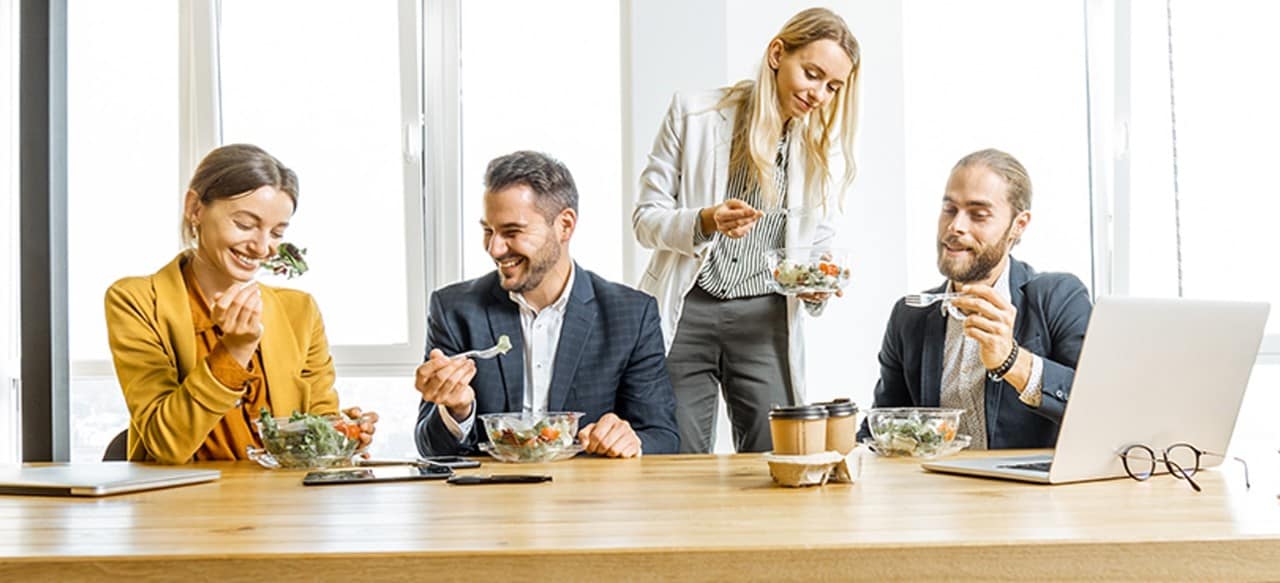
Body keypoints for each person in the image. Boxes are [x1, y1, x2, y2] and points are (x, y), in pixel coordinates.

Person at [633, 7, 861, 453]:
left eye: (833, 86)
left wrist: (817, 285)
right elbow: (645, 220)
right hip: (688, 312)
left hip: (765, 319)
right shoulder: (693, 114)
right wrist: (704, 220)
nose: (818, 94)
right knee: (678, 460)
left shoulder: (821, 151)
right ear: (778, 53)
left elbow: (818, 245)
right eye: (811, 74)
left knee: (775, 459)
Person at [105, 144, 377, 464]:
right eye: (245, 224)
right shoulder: (135, 301)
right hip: (178, 505)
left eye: (276, 232)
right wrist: (233, 352)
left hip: (281, 506)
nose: (262, 247)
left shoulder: (300, 311)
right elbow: (166, 444)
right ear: (195, 208)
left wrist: (338, 434)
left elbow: (315, 434)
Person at [414, 151, 679, 458]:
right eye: (488, 230)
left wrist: (631, 440)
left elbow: (664, 436)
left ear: (564, 225)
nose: (494, 248)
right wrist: (457, 411)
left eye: (512, 232)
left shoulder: (632, 314)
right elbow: (430, 449)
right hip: (491, 500)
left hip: (588, 498)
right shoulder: (454, 310)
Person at [863, 149, 1093, 449]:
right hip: (937, 492)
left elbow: (1098, 408)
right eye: (949, 209)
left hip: (1030, 493)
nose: (955, 226)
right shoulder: (909, 315)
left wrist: (1011, 361)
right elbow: (882, 432)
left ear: (1018, 225)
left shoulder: (1059, 297)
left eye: (978, 215)